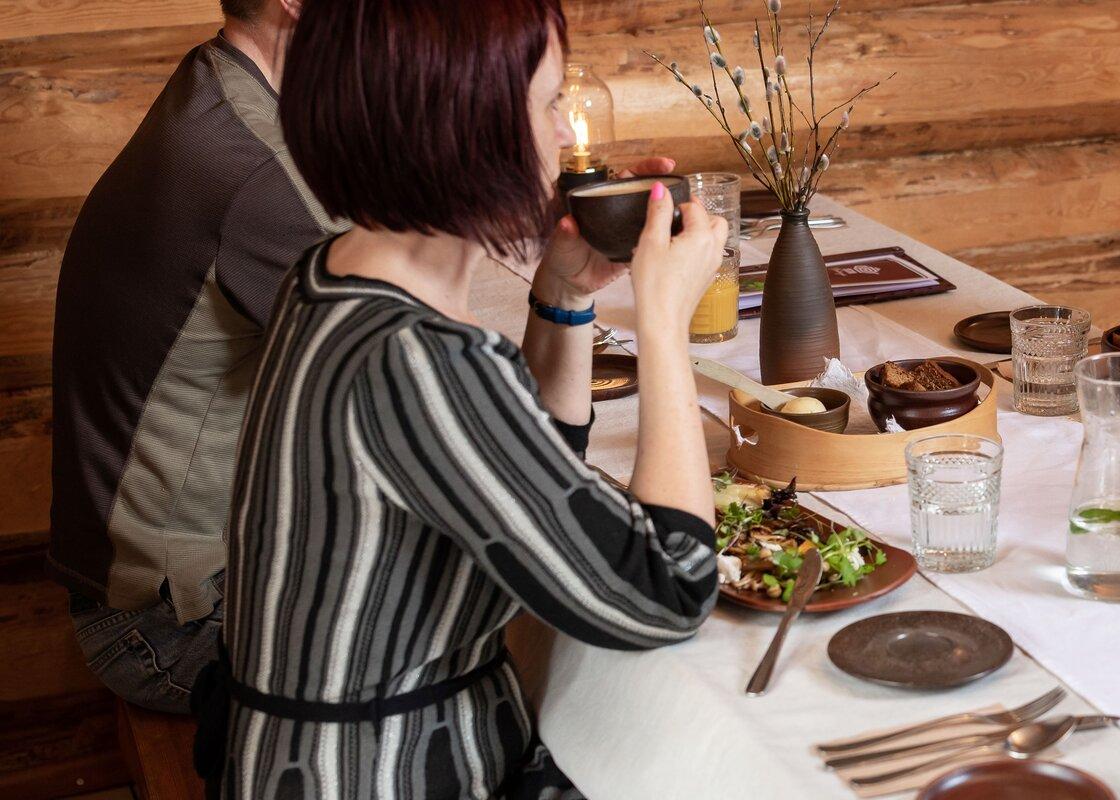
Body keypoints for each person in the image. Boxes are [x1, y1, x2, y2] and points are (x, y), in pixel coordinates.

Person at [200, 0, 727, 795]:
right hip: (379, 775)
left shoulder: (332, 274)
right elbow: (664, 590)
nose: (561, 137)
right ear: (467, 129)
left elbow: (533, 479)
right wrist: (662, 322)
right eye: (548, 106)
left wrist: (565, 294)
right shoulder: (414, 357)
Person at [47, 0, 329, 714]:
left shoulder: (217, 88)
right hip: (167, 629)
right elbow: (406, 380)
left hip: (172, 585)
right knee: (472, 636)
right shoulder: (254, 163)